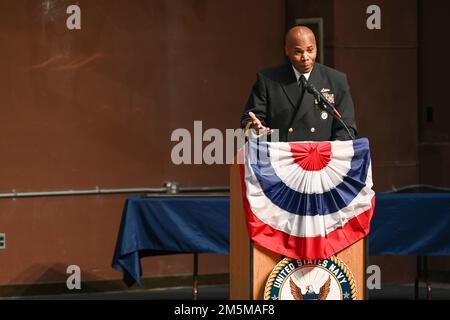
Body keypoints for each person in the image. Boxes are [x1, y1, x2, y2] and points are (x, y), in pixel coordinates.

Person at [241, 26, 357, 142]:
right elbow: (250, 120)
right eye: (298, 52)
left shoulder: (336, 80)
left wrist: (332, 151)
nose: (305, 57)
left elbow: (346, 127)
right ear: (287, 50)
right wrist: (256, 129)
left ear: (316, 48)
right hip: (281, 156)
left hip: (321, 156)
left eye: (310, 50)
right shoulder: (268, 80)